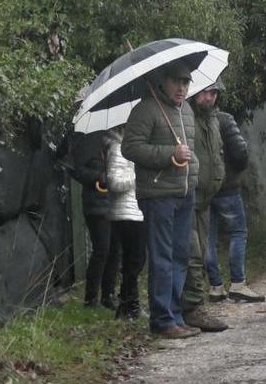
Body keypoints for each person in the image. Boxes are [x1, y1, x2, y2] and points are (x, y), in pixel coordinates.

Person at [122, 62, 200, 339]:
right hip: (158, 196)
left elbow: (190, 149)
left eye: (186, 82)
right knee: (163, 258)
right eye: (176, 82)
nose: (181, 88)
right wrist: (170, 154)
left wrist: (194, 172)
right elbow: (130, 147)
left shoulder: (187, 110)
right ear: (163, 82)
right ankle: (162, 320)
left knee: (180, 256)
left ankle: (175, 316)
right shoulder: (146, 109)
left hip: (184, 194)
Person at [181, 81, 228, 332]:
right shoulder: (185, 117)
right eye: (204, 92)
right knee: (193, 253)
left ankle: (192, 305)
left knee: (199, 252)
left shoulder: (212, 120)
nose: (209, 98)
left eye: (213, 93)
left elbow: (217, 153)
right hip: (188, 195)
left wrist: (218, 179)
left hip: (207, 198)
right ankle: (192, 307)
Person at [206, 103, 265, 303]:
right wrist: (236, 170)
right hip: (227, 187)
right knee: (238, 232)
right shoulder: (224, 119)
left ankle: (215, 286)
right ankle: (238, 283)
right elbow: (240, 153)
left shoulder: (190, 121)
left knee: (208, 237)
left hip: (204, 189)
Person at [71, 130, 120, 310]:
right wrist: (98, 178)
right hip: (96, 205)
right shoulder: (88, 142)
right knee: (102, 250)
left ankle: (108, 295)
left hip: (116, 202)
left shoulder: (119, 144)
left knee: (115, 250)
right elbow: (77, 171)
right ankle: (91, 299)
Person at [103, 126, 146, 320]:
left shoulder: (132, 149)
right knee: (133, 260)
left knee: (137, 259)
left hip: (136, 210)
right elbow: (113, 182)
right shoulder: (117, 149)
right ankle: (130, 304)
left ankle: (128, 303)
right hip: (124, 212)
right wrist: (138, 174)